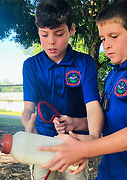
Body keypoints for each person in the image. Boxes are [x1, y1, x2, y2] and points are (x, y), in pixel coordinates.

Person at [39, 0, 127, 179]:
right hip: (112, 171)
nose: (106, 45)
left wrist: (85, 149)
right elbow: (111, 123)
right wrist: (75, 125)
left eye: (113, 36)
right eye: (102, 39)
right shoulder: (113, 75)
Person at [21, 0, 104, 179]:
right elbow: (28, 109)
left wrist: (93, 139)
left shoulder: (85, 63)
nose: (51, 42)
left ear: (71, 30)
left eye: (58, 34)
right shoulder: (31, 66)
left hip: (75, 141)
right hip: (42, 143)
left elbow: (93, 107)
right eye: (44, 34)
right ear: (38, 32)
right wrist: (28, 125)